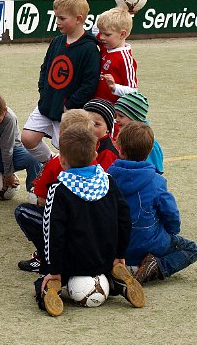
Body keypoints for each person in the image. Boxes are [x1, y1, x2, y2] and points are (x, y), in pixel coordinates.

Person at [33, 122, 146, 316]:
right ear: (95, 156)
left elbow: (53, 233)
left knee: (41, 281)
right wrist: (119, 255)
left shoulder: (58, 190)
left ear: (62, 161)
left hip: (72, 263)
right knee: (104, 264)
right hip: (105, 258)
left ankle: (50, 290)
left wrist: (54, 270)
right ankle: (116, 281)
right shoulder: (109, 181)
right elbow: (124, 219)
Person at [108, 122, 197, 284]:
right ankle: (157, 265)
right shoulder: (156, 181)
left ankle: (122, 268)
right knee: (192, 249)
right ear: (150, 151)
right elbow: (171, 213)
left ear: (119, 148)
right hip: (149, 245)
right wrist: (172, 230)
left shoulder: (107, 177)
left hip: (115, 248)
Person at [21, 0, 101, 163]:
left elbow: (90, 83)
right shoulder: (57, 41)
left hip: (68, 111)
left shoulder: (90, 48)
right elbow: (45, 69)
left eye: (62, 18)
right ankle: (50, 163)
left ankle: (63, 172)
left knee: (66, 147)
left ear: (79, 19)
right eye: (56, 17)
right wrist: (44, 92)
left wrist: (69, 105)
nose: (57, 22)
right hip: (48, 103)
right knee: (28, 138)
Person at [15, 110, 98, 273]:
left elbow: (41, 199)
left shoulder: (55, 163)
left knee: (23, 212)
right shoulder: (96, 163)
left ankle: (44, 257)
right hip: (91, 230)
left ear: (60, 134)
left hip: (62, 228)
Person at [0, 92, 42, 199]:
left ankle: (34, 193)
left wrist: (8, 174)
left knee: (34, 159)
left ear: (4, 112)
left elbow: (7, 150)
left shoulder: (9, 118)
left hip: (12, 151)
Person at [93, 7, 138, 103]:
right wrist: (121, 6)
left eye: (107, 34)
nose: (101, 37)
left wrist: (114, 87)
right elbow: (95, 29)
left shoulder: (125, 59)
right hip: (94, 103)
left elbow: (133, 91)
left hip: (112, 109)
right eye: (101, 33)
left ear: (122, 34)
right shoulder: (106, 45)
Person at [113, 91, 164, 174]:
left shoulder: (148, 144)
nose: (117, 120)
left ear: (135, 118)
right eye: (116, 116)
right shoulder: (124, 136)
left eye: (121, 116)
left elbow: (156, 171)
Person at [82, 98, 119, 171]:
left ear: (108, 130)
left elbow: (104, 177)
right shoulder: (83, 140)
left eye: (96, 124)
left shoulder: (108, 153)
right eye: (87, 122)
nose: (90, 127)